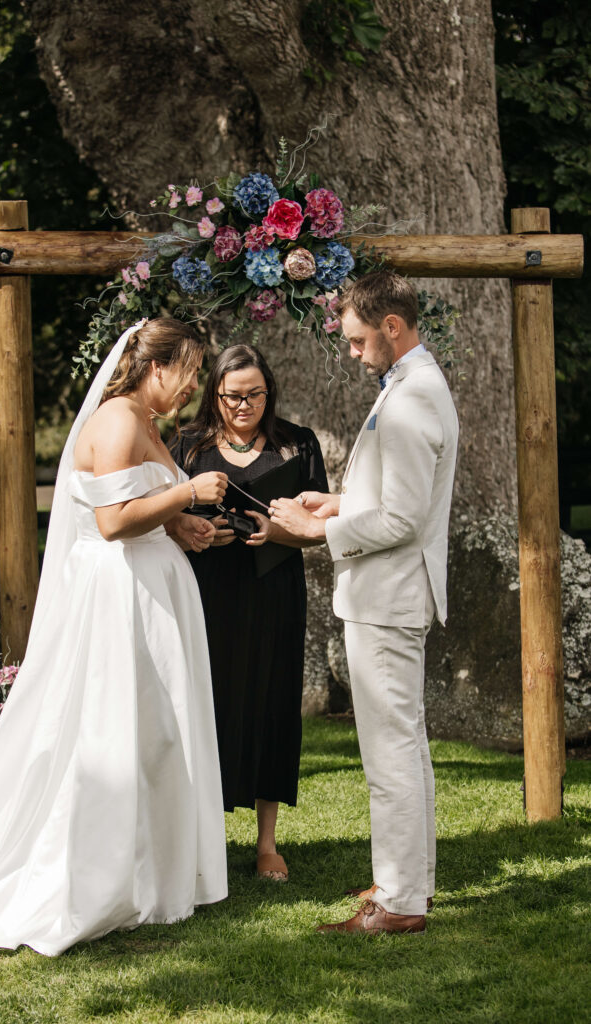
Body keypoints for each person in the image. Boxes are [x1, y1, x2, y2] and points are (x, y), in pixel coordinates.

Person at [0, 317, 230, 956]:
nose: (192, 386)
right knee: (117, 733)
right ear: (155, 366)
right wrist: (189, 490)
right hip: (119, 600)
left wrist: (180, 526)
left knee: (158, 735)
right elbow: (110, 522)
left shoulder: (147, 424)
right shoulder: (116, 420)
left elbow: (141, 509)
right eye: (189, 371)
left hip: (152, 590)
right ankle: (104, 871)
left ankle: (156, 869)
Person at [269, 272, 459, 935]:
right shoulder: (413, 385)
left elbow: (403, 520)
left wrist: (314, 531)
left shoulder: (409, 401)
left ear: (392, 327)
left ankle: (400, 902)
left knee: (389, 755)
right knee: (402, 748)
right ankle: (406, 879)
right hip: (389, 593)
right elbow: (393, 499)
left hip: (387, 596)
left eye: (355, 340)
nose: (351, 353)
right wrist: (340, 503)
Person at [170, 344, 328, 883]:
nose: (244, 405)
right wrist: (194, 532)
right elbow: (162, 517)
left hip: (273, 589)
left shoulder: (297, 444)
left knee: (271, 702)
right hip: (206, 590)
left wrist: (275, 530)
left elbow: (319, 524)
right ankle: (201, 839)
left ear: (270, 392)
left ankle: (267, 844)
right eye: (233, 396)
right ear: (215, 394)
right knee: (205, 704)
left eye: (254, 395)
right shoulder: (187, 446)